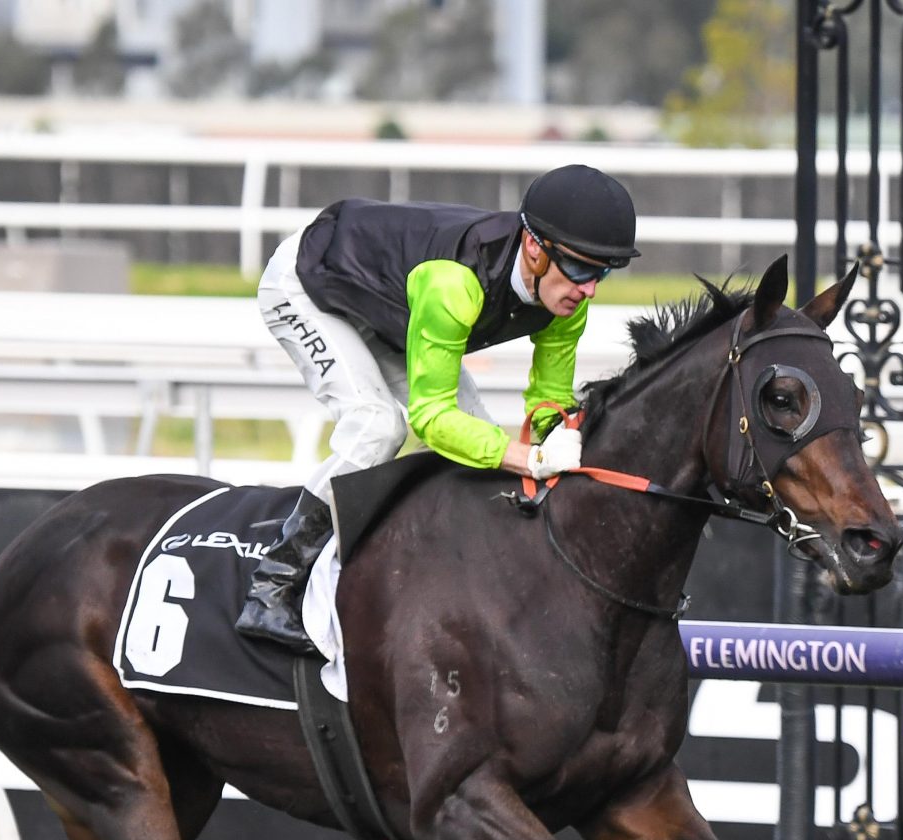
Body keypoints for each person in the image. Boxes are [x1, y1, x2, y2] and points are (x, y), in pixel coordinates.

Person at [235, 163, 641, 652]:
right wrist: (529, 458)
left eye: (603, 272)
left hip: (389, 302)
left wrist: (564, 439)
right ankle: (273, 585)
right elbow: (430, 419)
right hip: (309, 285)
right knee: (377, 427)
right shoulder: (455, 283)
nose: (590, 288)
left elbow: (547, 402)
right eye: (580, 268)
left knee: (481, 440)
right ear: (535, 248)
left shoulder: (566, 301)